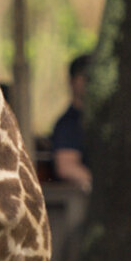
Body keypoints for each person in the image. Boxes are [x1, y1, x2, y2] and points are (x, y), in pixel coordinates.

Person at [49, 53, 92, 191]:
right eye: (84, 77)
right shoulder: (68, 124)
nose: (89, 83)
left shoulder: (101, 122)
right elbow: (65, 167)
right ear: (72, 81)